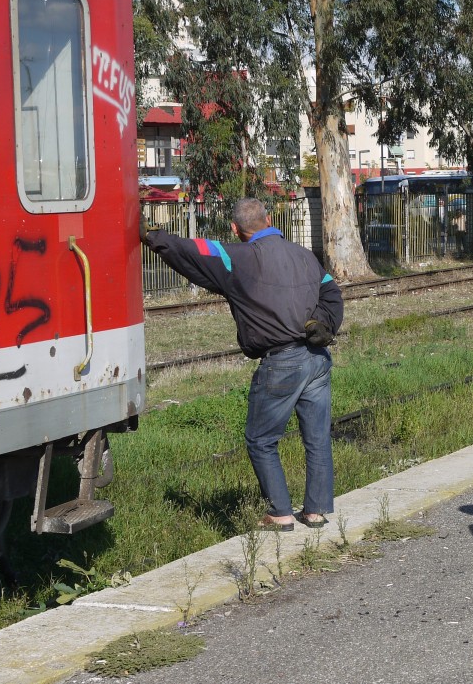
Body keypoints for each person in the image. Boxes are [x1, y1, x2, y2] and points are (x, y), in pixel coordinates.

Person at [141, 198, 344, 531]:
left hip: (282, 362)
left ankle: (279, 513)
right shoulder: (304, 255)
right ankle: (315, 511)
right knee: (318, 437)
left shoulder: (236, 257)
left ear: (235, 229)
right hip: (317, 359)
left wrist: (152, 236)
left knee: (261, 440)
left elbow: (193, 249)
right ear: (270, 218)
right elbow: (331, 292)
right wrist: (323, 323)